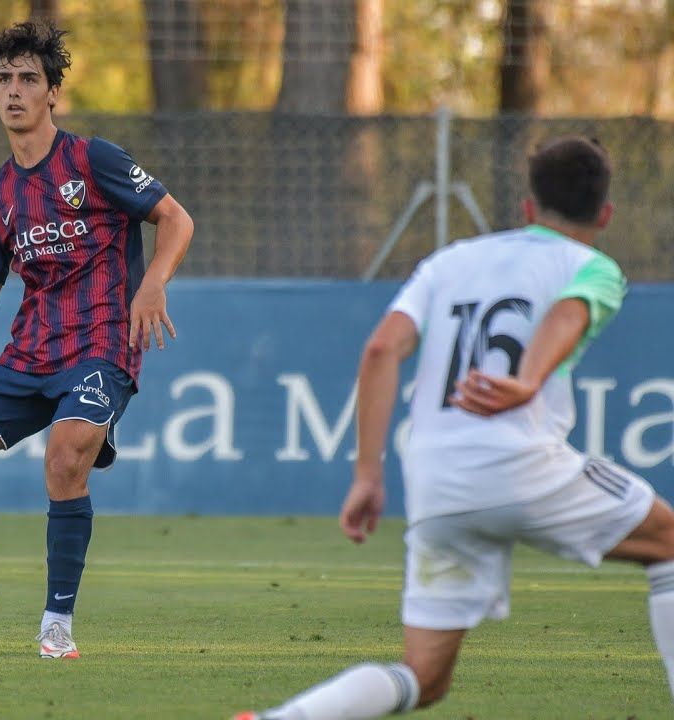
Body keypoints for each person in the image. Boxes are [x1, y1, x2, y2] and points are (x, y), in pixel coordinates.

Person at [235, 135, 674, 719]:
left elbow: (380, 350)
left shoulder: (449, 262)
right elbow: (570, 312)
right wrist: (529, 378)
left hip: (437, 483)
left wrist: (367, 474)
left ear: (527, 207)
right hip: (523, 467)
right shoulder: (593, 267)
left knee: (424, 677)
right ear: (606, 214)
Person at [0, 20, 193, 660]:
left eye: (28, 79)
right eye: (3, 80)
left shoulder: (92, 160)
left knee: (66, 455)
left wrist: (153, 282)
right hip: (31, 354)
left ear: (53, 93)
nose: (14, 91)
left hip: (103, 344)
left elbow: (174, 217)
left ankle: (56, 623)